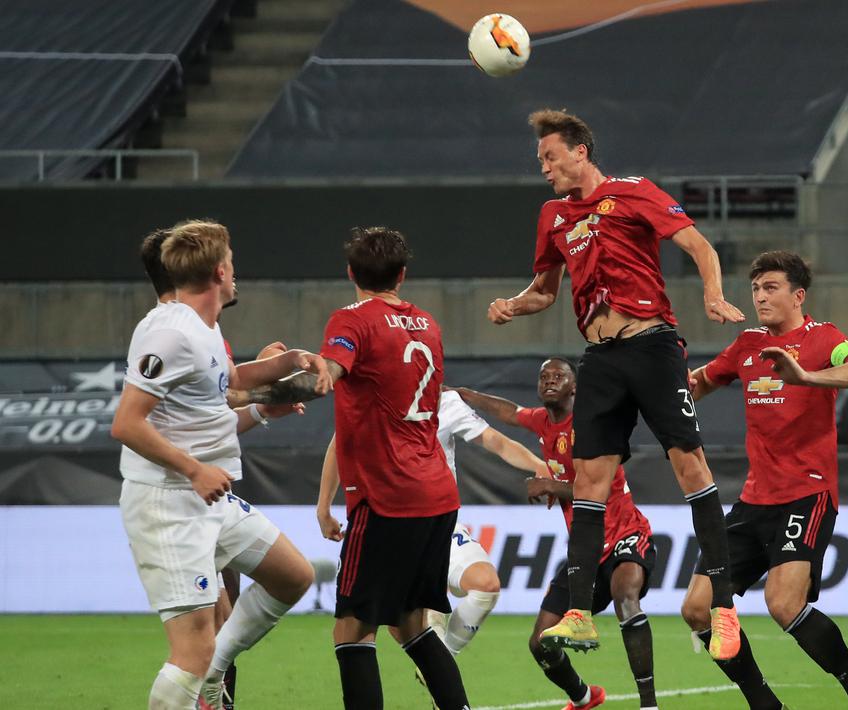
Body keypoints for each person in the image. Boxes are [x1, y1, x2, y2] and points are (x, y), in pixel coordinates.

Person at [487, 109, 743, 660]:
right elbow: (544, 290)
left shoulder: (633, 191)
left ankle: (724, 607)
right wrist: (513, 304)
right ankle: (580, 612)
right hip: (600, 356)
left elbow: (701, 246)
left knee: (689, 465)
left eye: (550, 157)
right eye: (540, 160)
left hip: (651, 345)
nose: (544, 168)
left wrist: (712, 294)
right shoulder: (553, 215)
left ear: (580, 151)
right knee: (588, 479)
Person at [236, 227, 470, 710]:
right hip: (437, 495)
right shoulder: (428, 324)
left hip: (387, 499)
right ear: (402, 275)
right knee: (411, 625)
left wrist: (245, 392)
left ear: (350, 273)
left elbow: (323, 379)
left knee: (351, 631)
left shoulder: (353, 320)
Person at [112, 220, 326, 709]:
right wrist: (193, 469)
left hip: (211, 499)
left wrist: (286, 362)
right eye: (232, 263)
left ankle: (215, 669)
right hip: (170, 503)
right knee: (191, 649)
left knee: (293, 576)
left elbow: (225, 381)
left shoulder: (203, 326)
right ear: (219, 271)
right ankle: (206, 671)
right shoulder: (168, 332)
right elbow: (126, 423)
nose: (236, 273)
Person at [682, 251, 848, 710]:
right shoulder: (747, 344)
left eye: (771, 287)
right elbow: (698, 383)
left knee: (783, 604)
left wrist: (806, 376)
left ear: (798, 295)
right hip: (755, 500)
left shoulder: (824, 338)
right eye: (756, 289)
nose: (760, 297)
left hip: (808, 493)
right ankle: (764, 703)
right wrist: (666, 376)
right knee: (697, 608)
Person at [455, 357, 659, 710]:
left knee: (626, 597)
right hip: (585, 550)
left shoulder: (589, 424)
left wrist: (550, 485)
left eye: (559, 376)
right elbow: (509, 412)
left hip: (625, 533)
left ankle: (649, 704)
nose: (550, 380)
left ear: (574, 387)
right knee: (541, 643)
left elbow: (598, 486)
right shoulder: (543, 422)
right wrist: (465, 394)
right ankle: (583, 697)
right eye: (544, 376)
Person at [316, 387, 549, 655]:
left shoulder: (445, 402)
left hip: (439, 524)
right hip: (389, 528)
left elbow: (497, 442)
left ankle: (443, 657)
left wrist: (538, 465)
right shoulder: (374, 396)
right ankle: (432, 659)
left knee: (486, 586)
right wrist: (323, 509)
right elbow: (340, 445)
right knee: (385, 623)